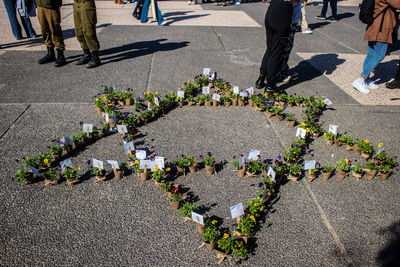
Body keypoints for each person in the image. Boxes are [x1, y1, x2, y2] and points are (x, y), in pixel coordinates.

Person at [352, 0, 400, 94]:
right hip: (381, 28)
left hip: (375, 26)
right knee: (379, 55)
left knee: (371, 53)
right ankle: (361, 79)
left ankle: (366, 80)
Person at [255, 0, 299, 94]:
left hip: (273, 9)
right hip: (282, 12)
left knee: (270, 48)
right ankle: (270, 84)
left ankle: (261, 77)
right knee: (276, 51)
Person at [36, 0, 66, 67]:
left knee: (55, 30)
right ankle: (50, 53)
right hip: (40, 5)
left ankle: (60, 55)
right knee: (44, 30)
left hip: (52, 6)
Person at [73, 0, 101, 68]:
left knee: (89, 32)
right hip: (76, 4)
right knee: (79, 32)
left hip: (86, 3)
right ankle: (86, 54)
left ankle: (95, 57)